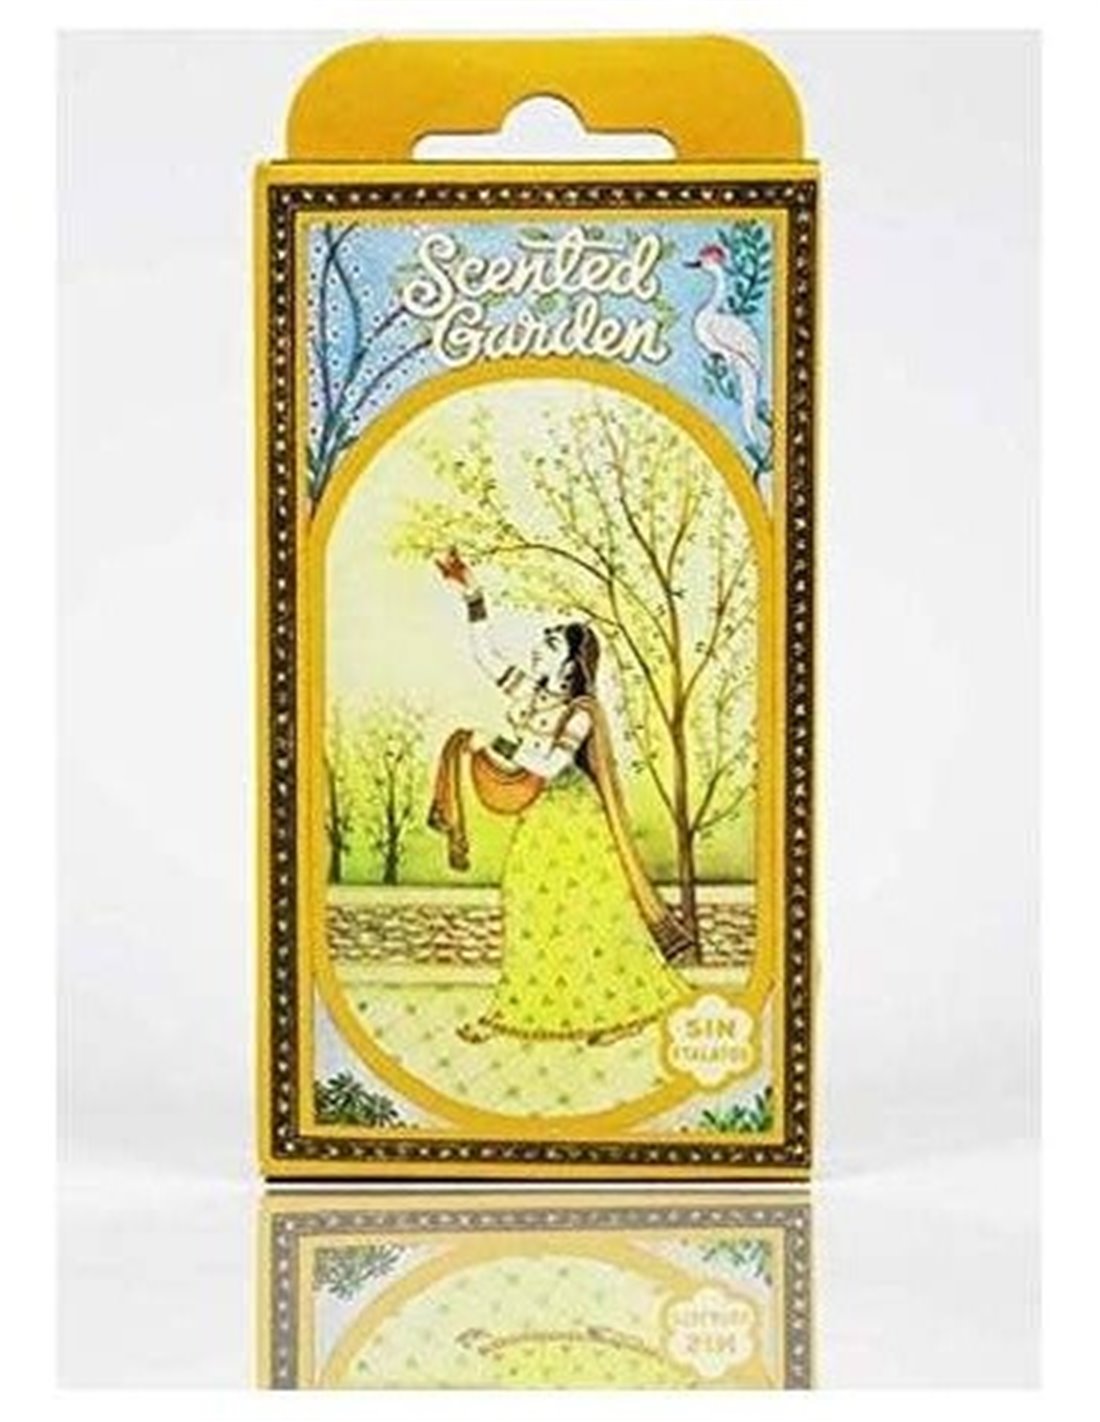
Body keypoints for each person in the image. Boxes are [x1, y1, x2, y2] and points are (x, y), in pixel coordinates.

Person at [429, 548, 692, 1045]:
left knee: (591, 910)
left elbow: (549, 765)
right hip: (543, 813)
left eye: (550, 643)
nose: (538, 647)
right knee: (526, 900)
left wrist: (496, 743)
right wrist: (474, 597)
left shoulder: (581, 712)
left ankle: (627, 1011)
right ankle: (520, 1008)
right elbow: (486, 657)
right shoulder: (532, 694)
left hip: (577, 820)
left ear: (571, 663)